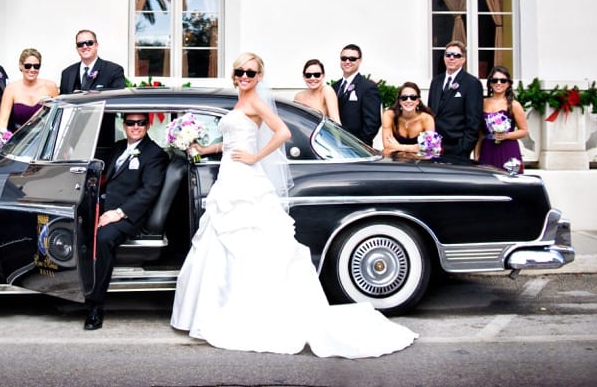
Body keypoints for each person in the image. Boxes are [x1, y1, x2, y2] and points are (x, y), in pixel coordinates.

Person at [171, 52, 417, 358]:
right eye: (240, 72)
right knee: (222, 242)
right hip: (229, 177)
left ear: (259, 76)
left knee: (248, 242)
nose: (244, 77)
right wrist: (204, 147)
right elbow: (236, 141)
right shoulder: (239, 101)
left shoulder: (256, 101)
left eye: (250, 73)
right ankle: (218, 308)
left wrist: (255, 158)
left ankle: (245, 314)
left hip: (246, 180)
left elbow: (282, 132)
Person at [84, 112, 169, 330]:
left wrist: (118, 213)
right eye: (131, 123)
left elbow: (148, 192)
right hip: (103, 207)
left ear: (148, 126)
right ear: (124, 125)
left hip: (130, 215)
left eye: (141, 123)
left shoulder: (154, 154)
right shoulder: (118, 146)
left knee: (103, 239)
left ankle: (95, 304)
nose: (136, 127)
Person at [426, 40, 484, 162]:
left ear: (463, 59)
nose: (451, 58)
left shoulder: (472, 83)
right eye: (448, 54)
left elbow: (474, 119)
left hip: (457, 147)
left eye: (456, 55)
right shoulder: (436, 81)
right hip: (434, 146)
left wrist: (464, 147)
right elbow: (430, 111)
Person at [475, 65, 529, 171]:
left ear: (508, 84)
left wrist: (506, 135)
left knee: (510, 183)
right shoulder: (482, 103)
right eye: (495, 80)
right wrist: (477, 153)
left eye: (503, 80)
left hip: (508, 148)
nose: (498, 83)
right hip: (488, 148)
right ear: (490, 83)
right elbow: (480, 133)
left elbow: (524, 131)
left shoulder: (514, 105)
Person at [0, 48, 59, 131]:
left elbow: (58, 117)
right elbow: (2, 122)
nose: (32, 69)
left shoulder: (50, 86)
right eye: (28, 66)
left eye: (36, 66)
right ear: (20, 65)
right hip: (20, 139)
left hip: (45, 138)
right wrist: (0, 138)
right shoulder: (11, 89)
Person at [332, 44, 382, 146]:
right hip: (334, 145)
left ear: (360, 60)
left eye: (352, 59)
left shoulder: (368, 87)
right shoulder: (334, 87)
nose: (347, 62)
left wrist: (359, 145)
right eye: (344, 58)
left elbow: (373, 122)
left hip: (357, 148)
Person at [59, 29, 126, 94]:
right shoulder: (67, 73)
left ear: (96, 46)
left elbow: (117, 100)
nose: (84, 46)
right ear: (77, 48)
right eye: (80, 44)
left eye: (89, 43)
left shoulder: (113, 70)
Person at [381, 82, 437, 156]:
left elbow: (430, 147)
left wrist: (397, 147)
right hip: (394, 162)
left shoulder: (426, 118)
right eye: (404, 98)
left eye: (413, 97)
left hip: (420, 163)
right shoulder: (389, 115)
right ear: (400, 101)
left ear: (417, 101)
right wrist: (415, 148)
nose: (408, 100)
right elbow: (387, 145)